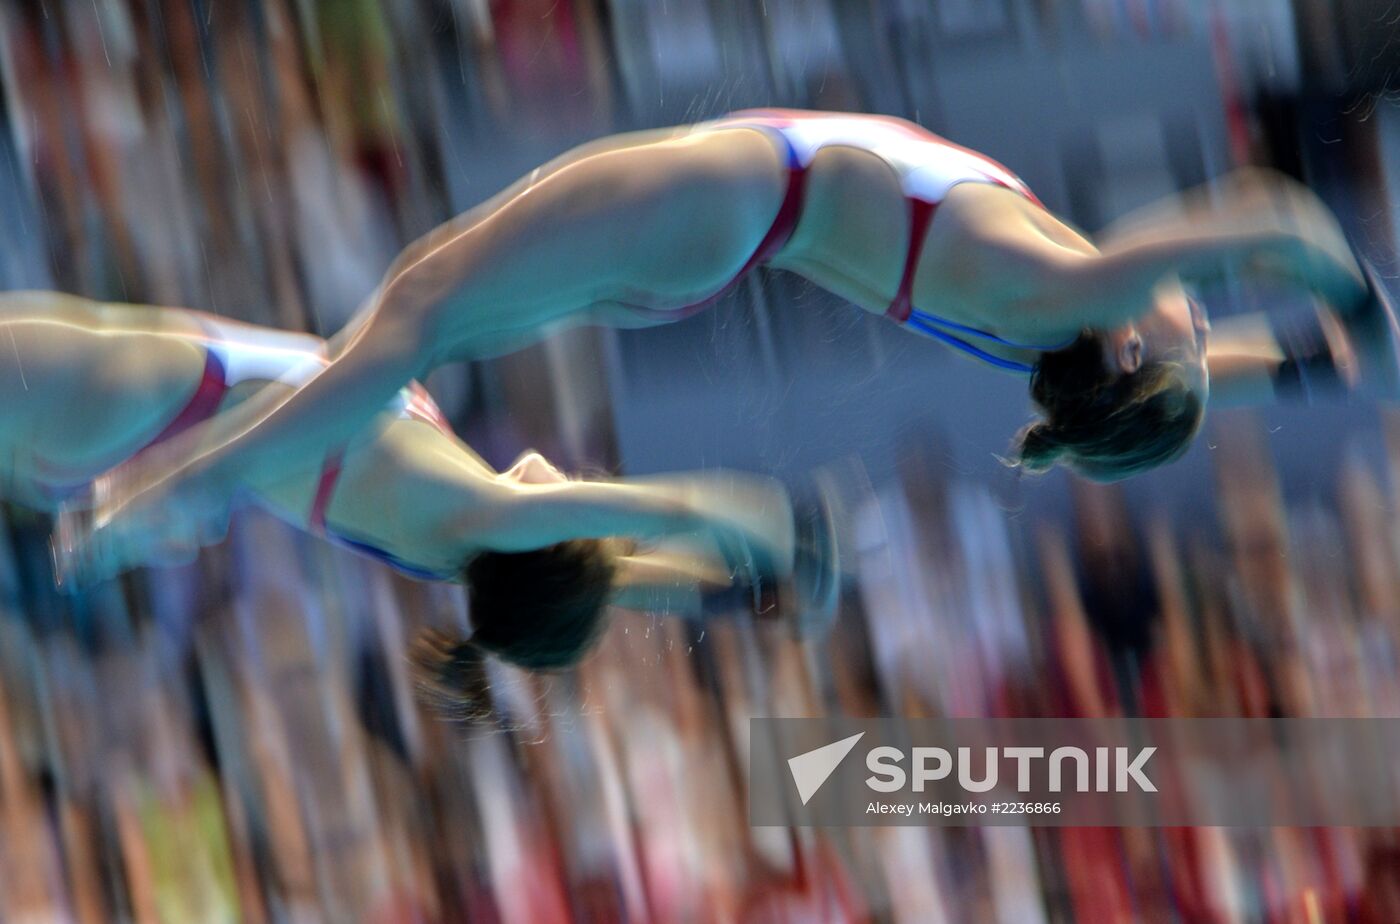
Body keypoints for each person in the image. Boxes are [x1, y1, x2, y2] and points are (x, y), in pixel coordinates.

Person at [62, 108, 1369, 579]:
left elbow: (1273, 218)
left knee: (402, 331)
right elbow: (1147, 403)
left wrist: (1359, 303)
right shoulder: (1047, 331)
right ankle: (191, 491)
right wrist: (1297, 365)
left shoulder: (1065, 283)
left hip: (723, 202)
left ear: (1134, 347)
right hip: (715, 243)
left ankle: (189, 493)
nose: (1200, 311)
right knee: (404, 321)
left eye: (1191, 330)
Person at [0, 292, 812, 680]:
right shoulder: (460, 547)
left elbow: (674, 506)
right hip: (132, 422)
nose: (570, 474)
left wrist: (779, 531)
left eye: (573, 498)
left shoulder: (487, 512)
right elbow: (611, 589)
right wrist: (745, 596)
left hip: (141, 404)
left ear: (541, 533)